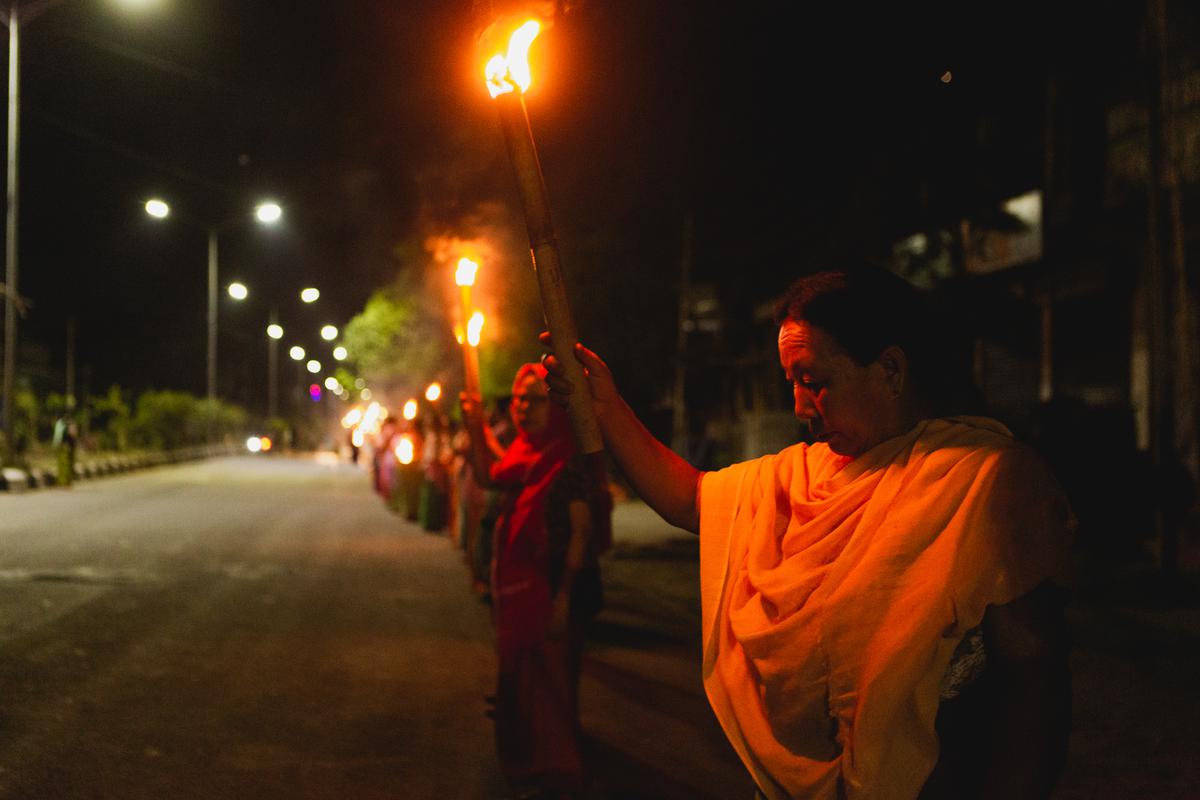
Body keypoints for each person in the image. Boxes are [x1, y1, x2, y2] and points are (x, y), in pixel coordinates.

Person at [542, 268, 1074, 800]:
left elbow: (1035, 682)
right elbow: (691, 499)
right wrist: (606, 407)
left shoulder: (982, 479)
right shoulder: (801, 475)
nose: (800, 409)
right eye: (791, 384)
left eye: (814, 382)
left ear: (890, 370)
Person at [462, 363, 607, 799]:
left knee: (555, 689)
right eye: (519, 399)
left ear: (557, 407)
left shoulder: (568, 458)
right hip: (523, 592)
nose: (524, 408)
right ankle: (530, 759)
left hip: (556, 588)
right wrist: (473, 423)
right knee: (525, 684)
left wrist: (562, 599)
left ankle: (557, 772)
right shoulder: (524, 453)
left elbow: (582, 534)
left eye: (536, 399)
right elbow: (492, 473)